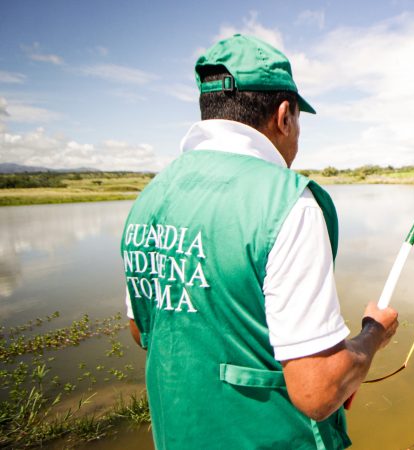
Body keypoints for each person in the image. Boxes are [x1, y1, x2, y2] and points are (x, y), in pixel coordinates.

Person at [120, 34, 398, 449]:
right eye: (299, 120)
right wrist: (373, 334)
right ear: (284, 116)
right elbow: (317, 392)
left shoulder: (151, 196)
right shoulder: (289, 203)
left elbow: (142, 329)